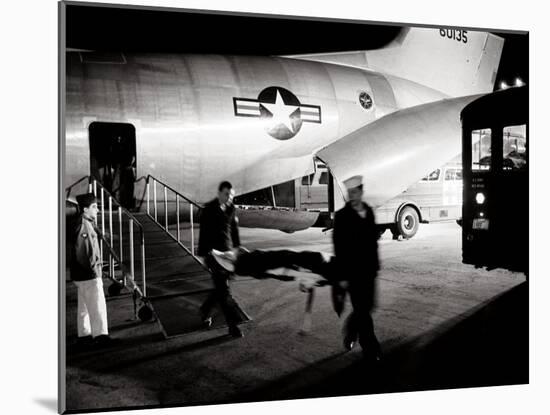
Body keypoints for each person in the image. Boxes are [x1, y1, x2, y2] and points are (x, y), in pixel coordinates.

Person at [333, 175, 382, 362]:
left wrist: (376, 266)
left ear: (361, 192)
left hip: (369, 271)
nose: (351, 196)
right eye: (349, 193)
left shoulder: (368, 211)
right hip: (352, 273)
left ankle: (351, 330)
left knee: (367, 307)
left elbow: (372, 243)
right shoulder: (342, 217)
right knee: (362, 311)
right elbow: (339, 249)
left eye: (355, 192)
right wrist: (343, 276)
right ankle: (371, 348)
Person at [198, 181, 245, 338]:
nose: (229, 198)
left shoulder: (231, 208)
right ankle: (232, 326)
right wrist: (204, 255)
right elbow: (203, 233)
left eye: (231, 195)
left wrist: (237, 248)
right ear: (219, 193)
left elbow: (234, 229)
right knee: (224, 291)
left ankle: (205, 309)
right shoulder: (208, 209)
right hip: (213, 254)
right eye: (226, 194)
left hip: (227, 253)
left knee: (220, 289)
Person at [70, 193, 114, 349]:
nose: (98, 210)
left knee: (84, 307)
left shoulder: (84, 222)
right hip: (88, 274)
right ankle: (101, 336)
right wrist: (93, 273)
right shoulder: (84, 225)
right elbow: (83, 251)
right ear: (85, 209)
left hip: (80, 275)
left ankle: (84, 334)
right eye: (94, 207)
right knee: (97, 305)